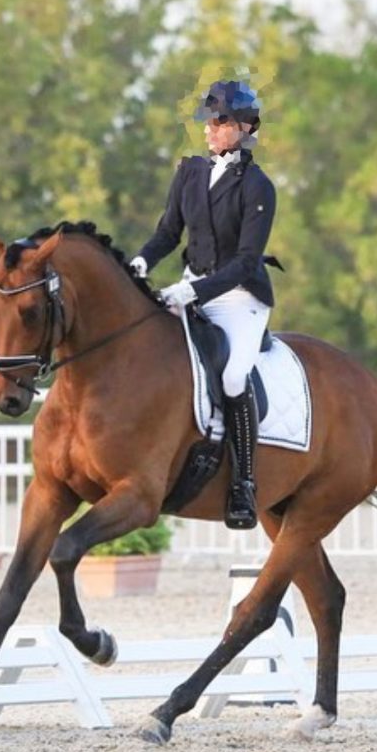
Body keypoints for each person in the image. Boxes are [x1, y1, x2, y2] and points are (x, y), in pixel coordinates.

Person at [130, 80, 277, 530]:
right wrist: (139, 261)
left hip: (239, 299)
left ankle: (244, 484)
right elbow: (167, 234)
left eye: (220, 122)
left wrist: (193, 292)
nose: (210, 130)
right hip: (190, 289)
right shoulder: (190, 172)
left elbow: (246, 261)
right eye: (208, 122)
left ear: (245, 127)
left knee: (233, 376)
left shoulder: (258, 186)